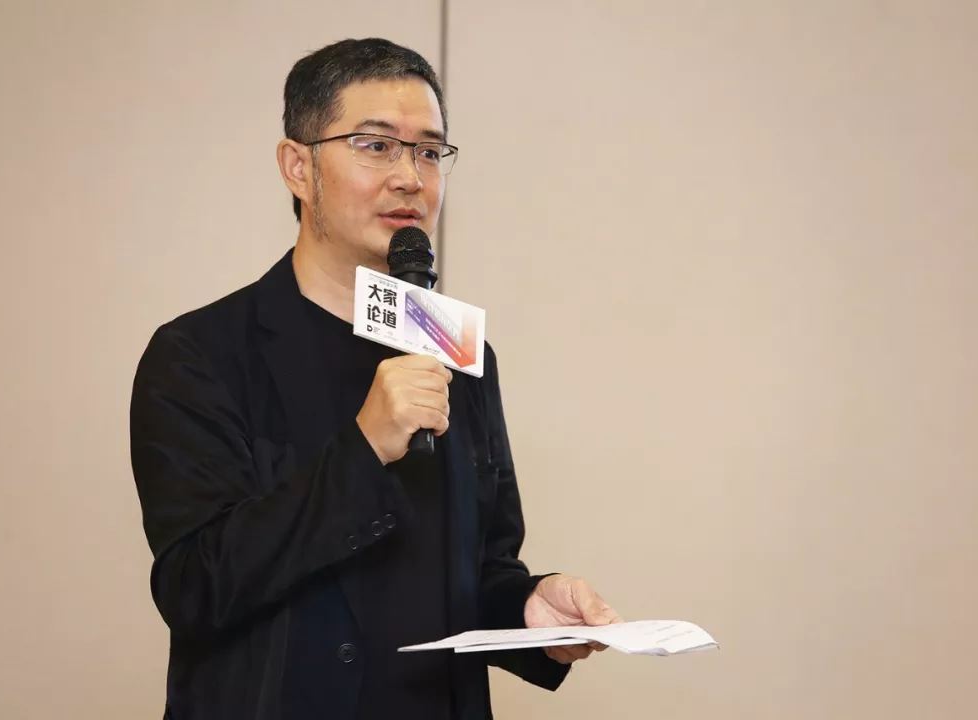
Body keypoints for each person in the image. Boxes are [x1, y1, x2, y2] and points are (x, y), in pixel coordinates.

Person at [130, 37, 621, 720]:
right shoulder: (199, 354)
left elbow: (480, 570)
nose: (410, 178)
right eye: (377, 145)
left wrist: (528, 608)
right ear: (298, 167)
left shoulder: (456, 350)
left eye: (429, 152)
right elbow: (196, 588)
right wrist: (363, 451)